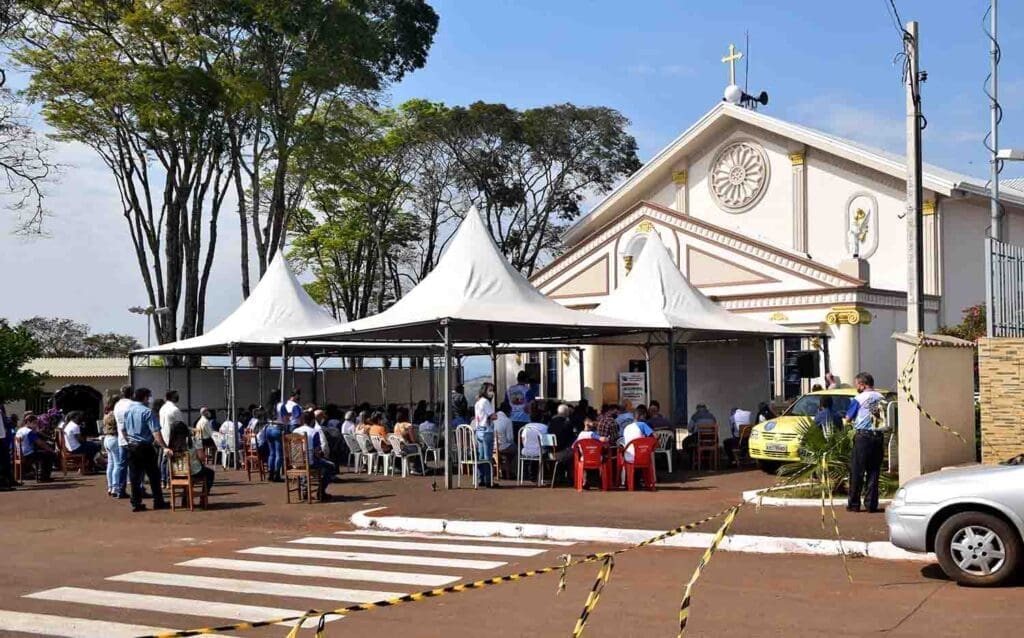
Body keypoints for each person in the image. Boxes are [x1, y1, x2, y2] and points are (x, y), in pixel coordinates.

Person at [122, 387, 173, 512]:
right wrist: (165, 447)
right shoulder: (147, 412)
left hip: (132, 447)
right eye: (149, 396)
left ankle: (136, 502)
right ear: (145, 397)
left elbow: (123, 430)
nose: (150, 399)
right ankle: (158, 501)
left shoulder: (128, 410)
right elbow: (156, 432)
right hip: (145, 447)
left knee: (135, 477)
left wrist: (129, 441)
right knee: (154, 475)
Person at [846, 372, 885, 513]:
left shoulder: (859, 398)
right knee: (874, 472)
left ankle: (854, 504)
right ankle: (871, 504)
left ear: (862, 385)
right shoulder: (881, 397)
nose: (857, 387)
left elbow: (848, 418)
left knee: (857, 471)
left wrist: (845, 421)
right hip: (878, 437)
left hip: (863, 437)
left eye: (857, 384)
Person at [168, 421, 215, 503]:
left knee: (190, 471)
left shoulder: (171, 444)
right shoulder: (192, 441)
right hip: (192, 471)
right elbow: (201, 457)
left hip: (176, 473)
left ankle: (186, 498)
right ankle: (204, 497)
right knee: (210, 473)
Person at [293, 411, 335, 500]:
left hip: (296, 462)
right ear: (312, 420)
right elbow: (316, 452)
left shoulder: (294, 431)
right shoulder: (314, 432)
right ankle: (321, 491)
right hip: (309, 462)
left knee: (304, 463)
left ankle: (305, 490)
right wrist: (322, 456)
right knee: (331, 466)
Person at [16, 415, 56, 482]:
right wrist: (51, 450)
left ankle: (41, 474)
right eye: (34, 423)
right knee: (49, 454)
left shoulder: (20, 430)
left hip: (20, 453)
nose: (36, 425)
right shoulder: (29, 432)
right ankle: (43, 476)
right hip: (27, 454)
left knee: (43, 453)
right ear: (28, 422)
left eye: (36, 423)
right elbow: (40, 443)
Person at [473, 383, 498, 487]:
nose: (491, 393)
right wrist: (494, 415)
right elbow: (493, 416)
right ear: (485, 391)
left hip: (478, 430)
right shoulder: (486, 402)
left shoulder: (478, 402)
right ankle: (489, 480)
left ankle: (481, 478)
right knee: (488, 456)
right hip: (487, 430)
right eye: (490, 390)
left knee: (481, 455)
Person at [494, 402, 515, 479]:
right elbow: (510, 438)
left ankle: (502, 467)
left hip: (492, 446)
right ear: (508, 411)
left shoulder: (493, 418)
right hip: (502, 447)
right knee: (515, 449)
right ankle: (509, 470)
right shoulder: (507, 421)